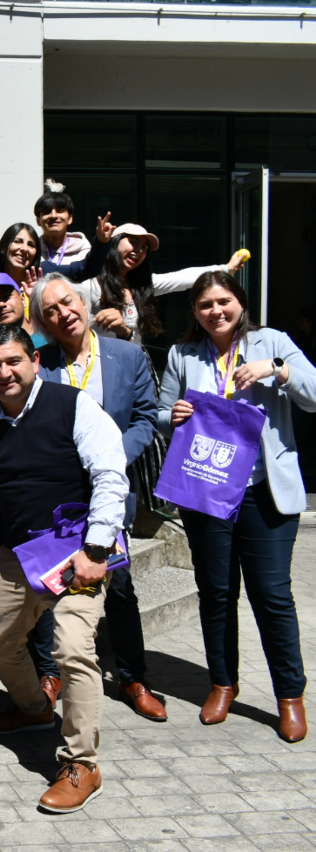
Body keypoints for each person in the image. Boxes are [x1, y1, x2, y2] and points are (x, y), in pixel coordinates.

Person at [0, 324, 128, 814]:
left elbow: (111, 475)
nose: (4, 372)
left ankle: (82, 763)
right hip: (21, 555)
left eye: (13, 361)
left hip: (78, 552)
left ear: (33, 362)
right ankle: (32, 709)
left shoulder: (74, 406)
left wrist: (96, 548)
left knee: (71, 647)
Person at [158, 271, 316, 743]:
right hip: (207, 492)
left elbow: (313, 392)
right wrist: (176, 415)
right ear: (195, 312)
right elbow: (162, 412)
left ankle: (290, 696)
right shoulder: (182, 354)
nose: (215, 312)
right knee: (217, 592)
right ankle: (222, 684)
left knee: (272, 596)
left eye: (223, 301)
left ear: (240, 303)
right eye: (205, 305)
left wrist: (277, 370)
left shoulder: (272, 340)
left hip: (263, 492)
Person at [30, 274, 164, 722]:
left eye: (67, 302)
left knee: (120, 586)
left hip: (111, 490)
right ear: (44, 323)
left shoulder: (127, 355)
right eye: (50, 310)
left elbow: (146, 418)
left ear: (83, 303)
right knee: (52, 583)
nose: (63, 313)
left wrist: (110, 459)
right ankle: (51, 674)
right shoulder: (40, 362)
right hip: (59, 494)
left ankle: (131, 676)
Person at [80, 223, 247, 345]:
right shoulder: (90, 285)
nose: (139, 250)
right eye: (133, 242)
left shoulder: (142, 285)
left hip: (132, 367)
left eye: (144, 247)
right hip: (98, 370)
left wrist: (227, 268)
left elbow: (182, 278)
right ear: (114, 243)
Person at [0, 217, 110, 286]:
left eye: (31, 245)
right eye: (17, 241)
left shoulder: (45, 272)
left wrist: (101, 242)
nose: (24, 248)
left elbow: (86, 269)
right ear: (3, 247)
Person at [35, 186, 91, 266]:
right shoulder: (31, 251)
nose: (53, 216)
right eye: (47, 212)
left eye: (60, 211)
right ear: (38, 221)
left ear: (70, 218)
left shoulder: (86, 253)